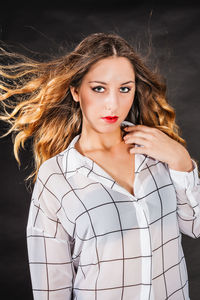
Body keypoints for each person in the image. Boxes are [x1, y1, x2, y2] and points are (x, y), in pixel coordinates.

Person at [0, 32, 199, 300]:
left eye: (124, 89)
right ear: (75, 91)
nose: (113, 104)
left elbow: (195, 227)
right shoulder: (57, 177)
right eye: (99, 88)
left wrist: (181, 160)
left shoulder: (159, 152)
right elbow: (51, 289)